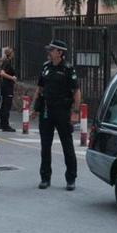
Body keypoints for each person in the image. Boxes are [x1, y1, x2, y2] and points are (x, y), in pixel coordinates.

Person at [32, 40, 81, 191]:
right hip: (47, 111)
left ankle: (71, 179)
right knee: (45, 146)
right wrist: (34, 108)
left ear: (60, 53)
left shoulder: (68, 69)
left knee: (67, 145)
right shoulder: (45, 67)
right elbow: (39, 89)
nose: (49, 52)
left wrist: (75, 112)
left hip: (62, 111)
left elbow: (76, 92)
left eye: (52, 50)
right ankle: (45, 178)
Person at [0, 47, 17, 132]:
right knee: (6, 106)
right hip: (7, 87)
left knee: (4, 105)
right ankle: (5, 125)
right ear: (11, 54)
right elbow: (2, 73)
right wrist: (12, 78)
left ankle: (3, 124)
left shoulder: (5, 62)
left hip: (5, 86)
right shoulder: (7, 62)